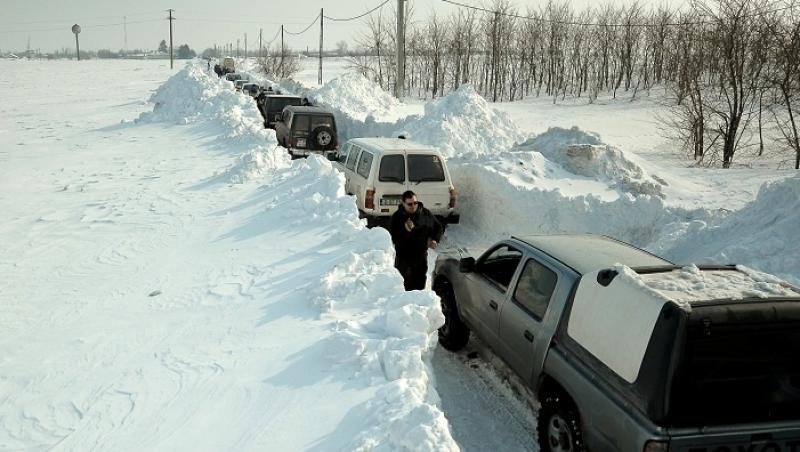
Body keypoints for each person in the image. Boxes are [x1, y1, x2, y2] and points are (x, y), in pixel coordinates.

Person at [390, 190, 443, 291]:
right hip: (404, 258)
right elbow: (394, 238)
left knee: (419, 286)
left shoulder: (425, 213)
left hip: (421, 257)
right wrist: (405, 230)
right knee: (403, 287)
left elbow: (438, 227)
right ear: (403, 204)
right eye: (410, 204)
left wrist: (435, 239)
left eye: (415, 203)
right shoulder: (397, 217)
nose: (413, 206)